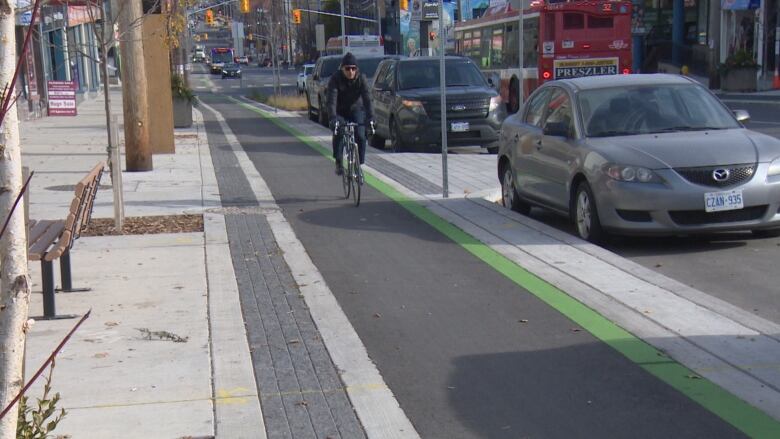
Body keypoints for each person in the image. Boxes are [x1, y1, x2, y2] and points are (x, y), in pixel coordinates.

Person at [327, 52, 374, 176]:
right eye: (347, 68)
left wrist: (371, 118)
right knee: (339, 131)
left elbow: (367, 99)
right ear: (342, 68)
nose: (351, 71)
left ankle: (359, 164)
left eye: (353, 68)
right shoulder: (335, 79)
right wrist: (332, 118)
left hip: (355, 110)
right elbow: (331, 101)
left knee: (361, 135)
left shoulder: (361, 79)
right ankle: (338, 161)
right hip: (340, 111)